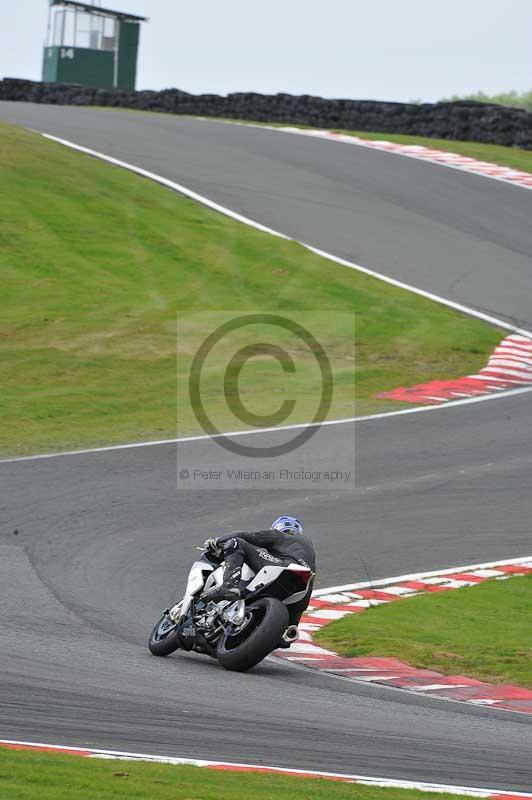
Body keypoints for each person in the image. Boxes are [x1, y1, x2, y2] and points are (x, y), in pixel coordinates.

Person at [202, 515, 315, 629]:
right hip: (298, 592)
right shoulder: (309, 555)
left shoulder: (280, 535)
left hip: (283, 566)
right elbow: (305, 597)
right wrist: (292, 625)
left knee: (236, 543)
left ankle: (228, 586)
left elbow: (247, 536)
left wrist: (217, 541)